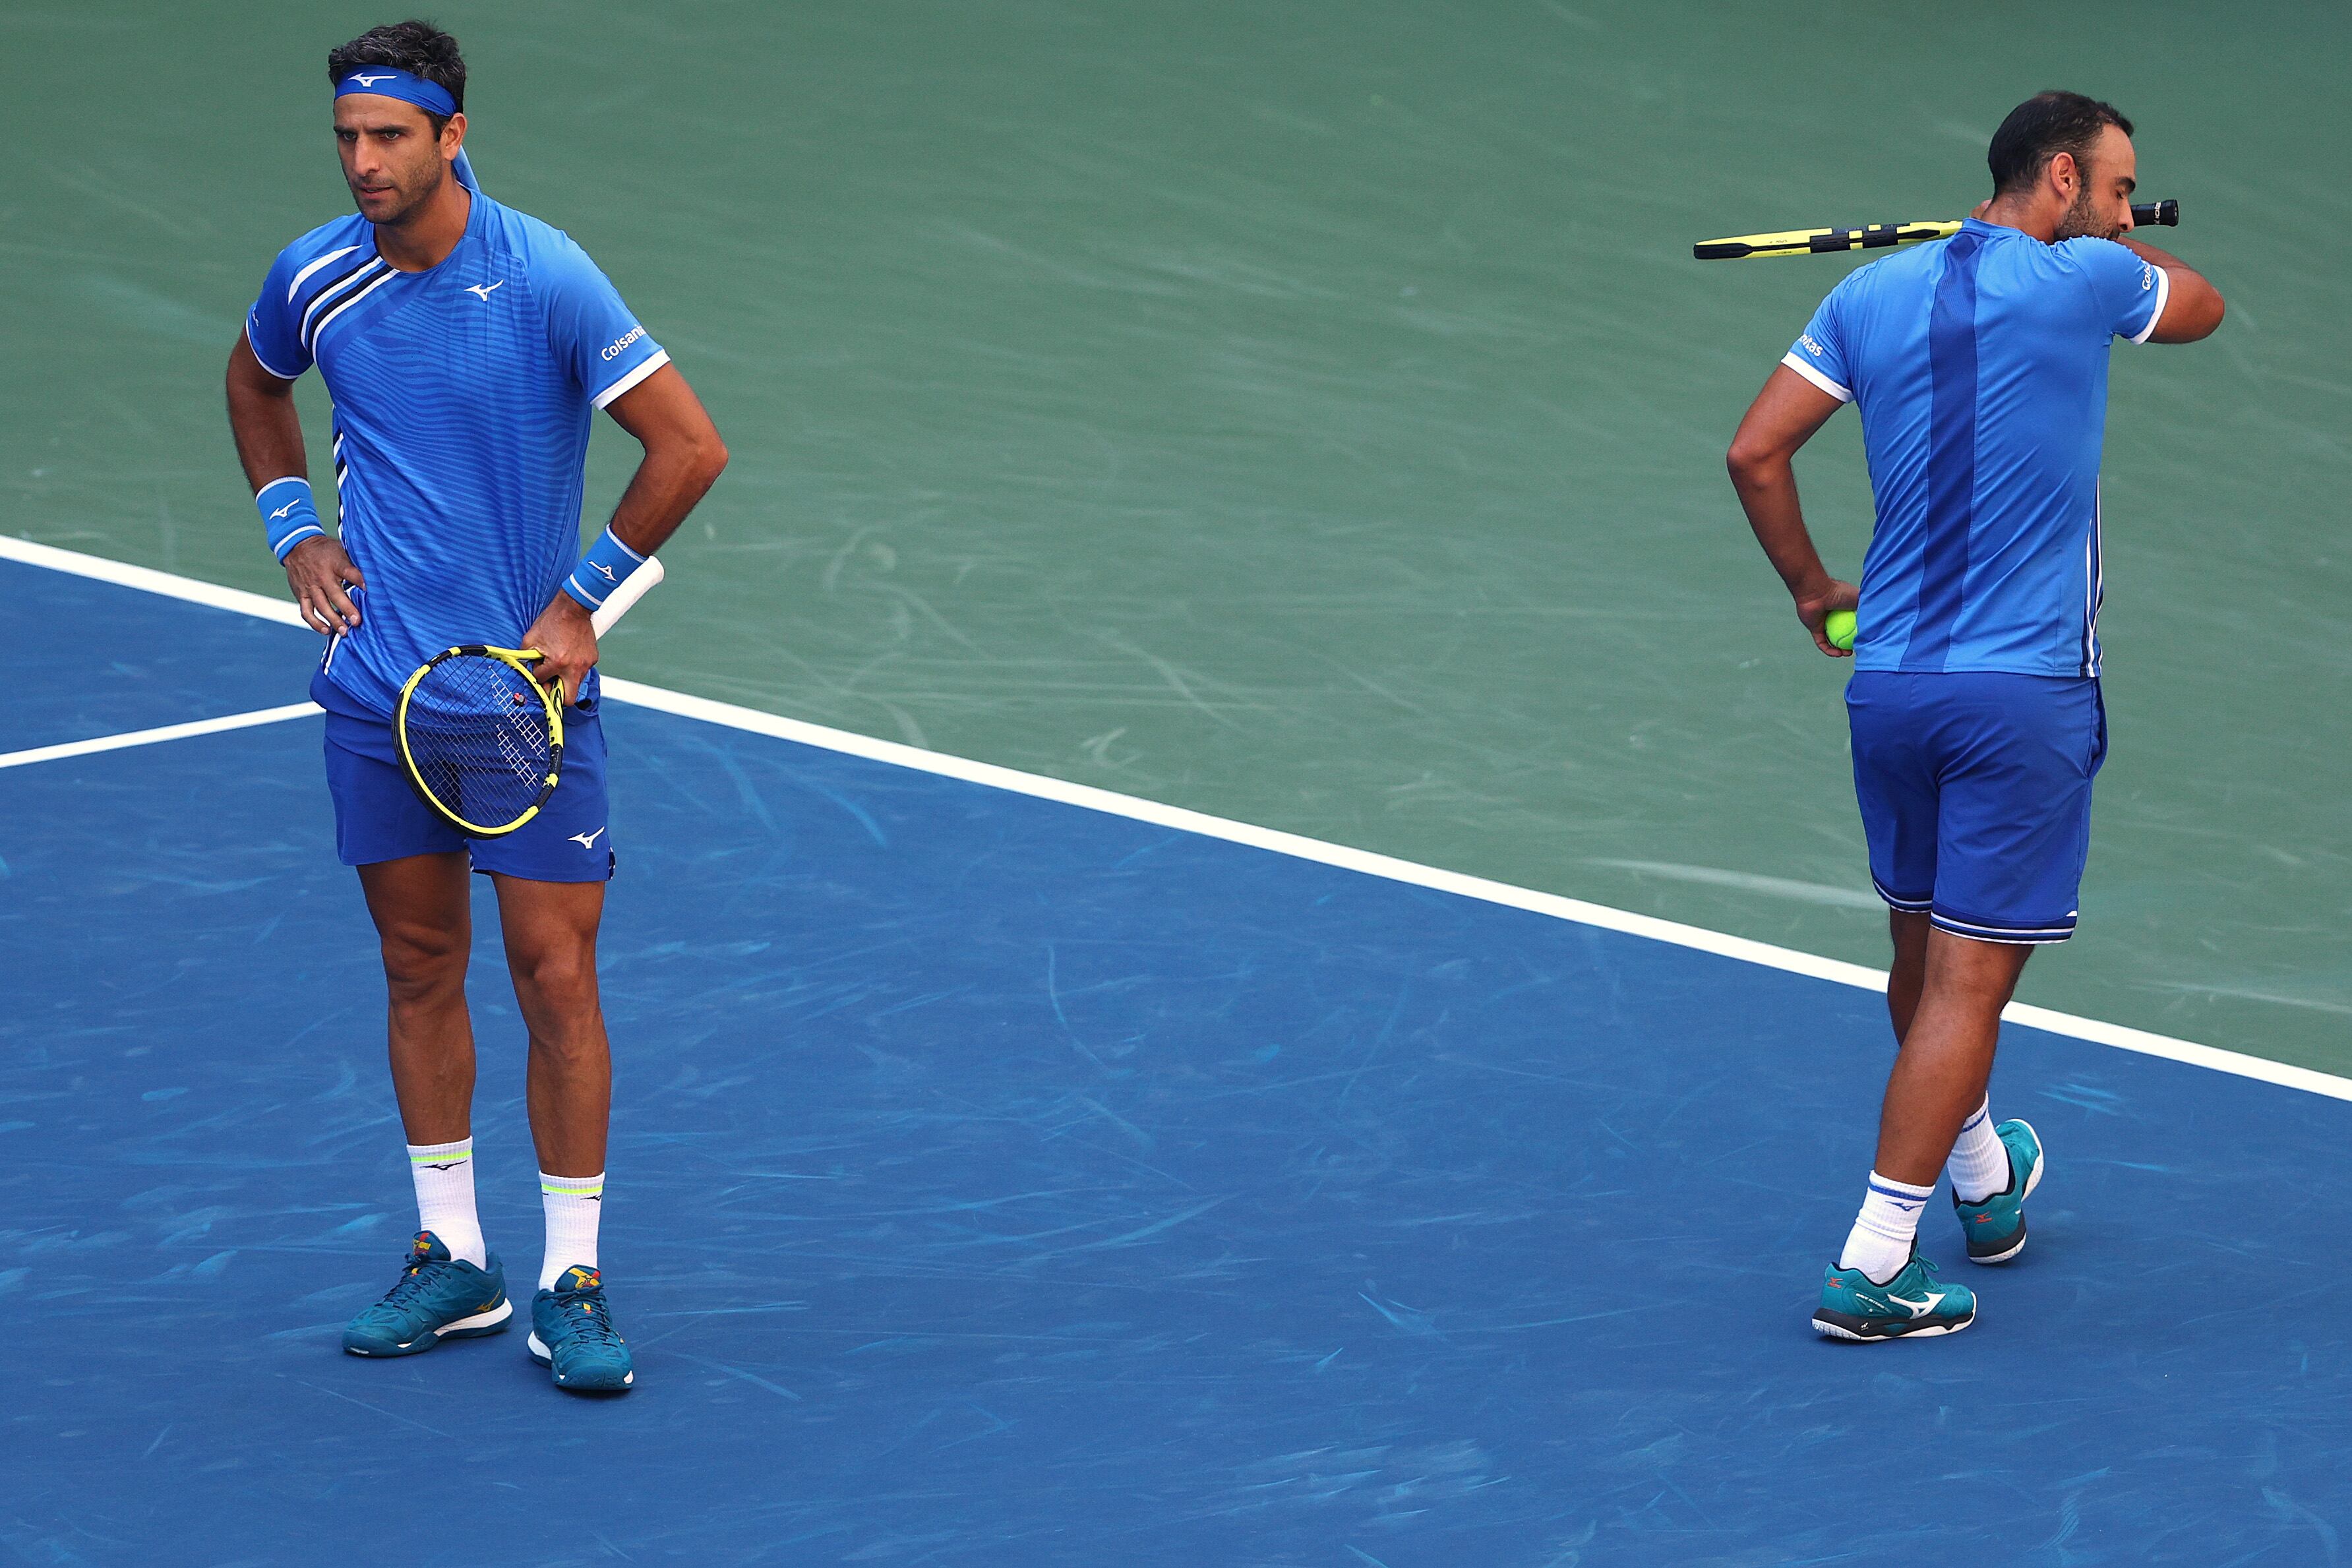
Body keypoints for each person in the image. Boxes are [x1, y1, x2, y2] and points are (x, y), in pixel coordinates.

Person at [224, 20, 727, 1390]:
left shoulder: (544, 275)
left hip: (525, 703)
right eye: (347, 138)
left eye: (389, 136)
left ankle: (572, 1274)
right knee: (415, 966)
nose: (364, 162)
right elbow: (253, 379)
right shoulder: (313, 278)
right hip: (378, 691)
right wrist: (294, 530)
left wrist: (579, 602)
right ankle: (453, 1255)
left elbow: (689, 445)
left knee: (555, 978)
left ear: (453, 138)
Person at [1725, 92, 2223, 1341]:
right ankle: (1875, 1261)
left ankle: (1984, 1182)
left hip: (1888, 685)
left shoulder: (1870, 298)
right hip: (2024, 701)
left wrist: (1811, 592)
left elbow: (1755, 454)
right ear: (2061, 181)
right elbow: (2199, 307)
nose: (2125, 210)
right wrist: (2120, 249)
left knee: (1922, 956)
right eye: (2116, 189)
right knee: (1966, 986)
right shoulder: (2095, 280)